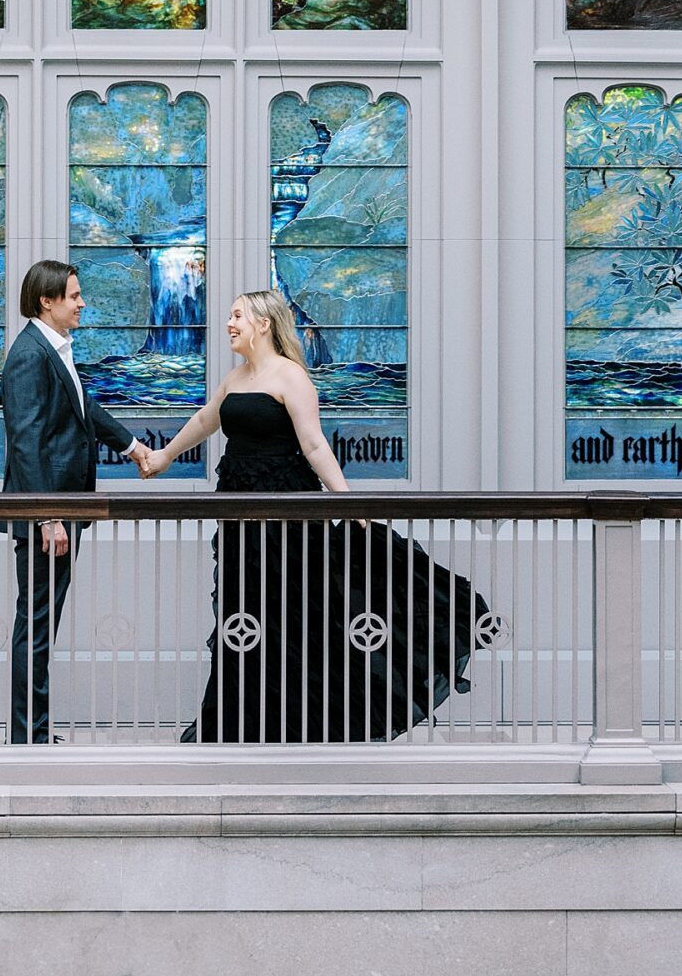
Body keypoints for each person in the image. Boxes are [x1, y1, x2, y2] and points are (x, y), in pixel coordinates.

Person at [143, 289, 489, 743]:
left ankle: (303, 720)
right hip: (237, 519)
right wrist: (164, 457)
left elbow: (314, 445)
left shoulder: (292, 378)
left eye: (237, 316)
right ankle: (243, 721)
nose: (229, 324)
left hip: (289, 515)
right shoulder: (234, 378)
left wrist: (348, 502)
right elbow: (206, 421)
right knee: (241, 612)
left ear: (263, 323)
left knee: (293, 611)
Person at [0, 259, 154, 743]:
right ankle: (28, 736)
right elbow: (25, 440)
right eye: (73, 295)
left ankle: (34, 732)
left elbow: (87, 409)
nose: (82, 303)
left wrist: (133, 448)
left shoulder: (54, 349)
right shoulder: (29, 354)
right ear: (47, 301)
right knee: (37, 622)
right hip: (47, 513)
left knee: (43, 619)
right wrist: (46, 515)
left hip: (61, 510)